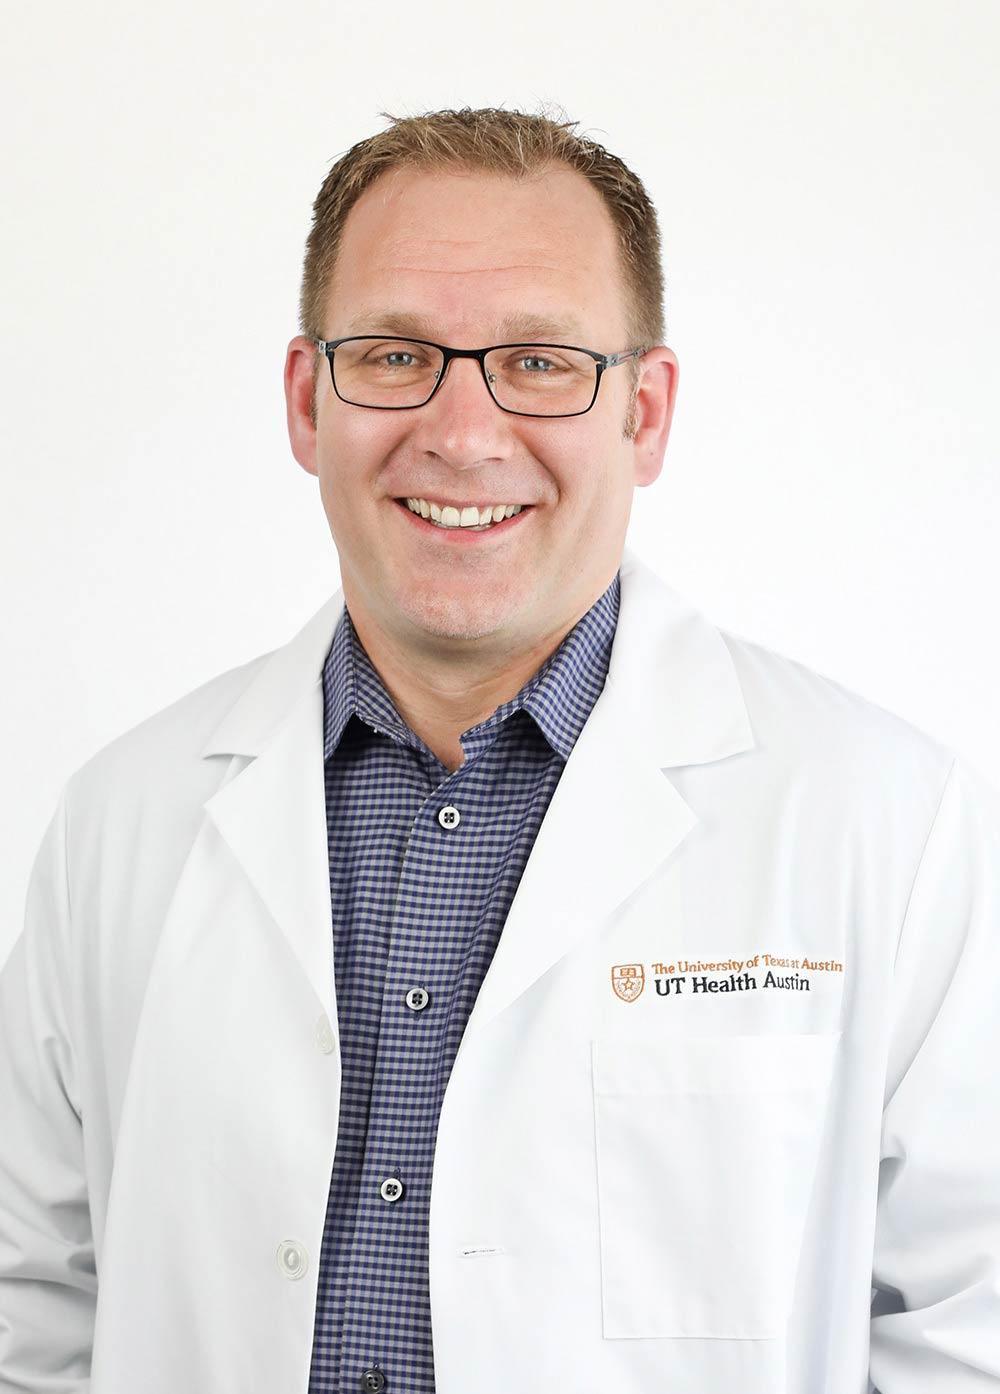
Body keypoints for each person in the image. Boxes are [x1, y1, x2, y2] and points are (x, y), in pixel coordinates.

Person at [1, 105, 998, 1394]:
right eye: (395, 355)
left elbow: (971, 1327)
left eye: (538, 361)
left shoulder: (888, 825)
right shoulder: (121, 820)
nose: (464, 434)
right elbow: (32, 1302)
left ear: (645, 412)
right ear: (307, 402)